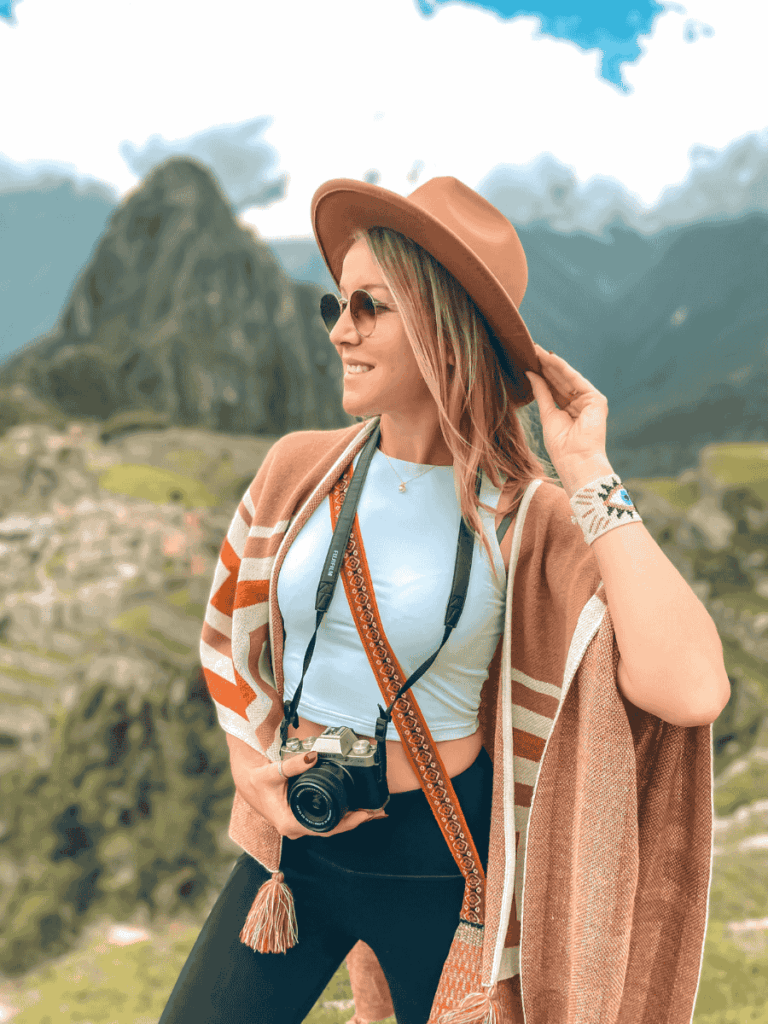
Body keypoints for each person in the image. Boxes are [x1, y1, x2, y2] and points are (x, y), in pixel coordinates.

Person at [159, 176, 728, 1024]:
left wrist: (588, 475)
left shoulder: (526, 519)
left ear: (443, 326)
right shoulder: (298, 471)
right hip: (294, 845)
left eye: (368, 306)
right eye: (335, 304)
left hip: (444, 864)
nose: (340, 330)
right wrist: (254, 769)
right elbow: (230, 650)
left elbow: (689, 690)